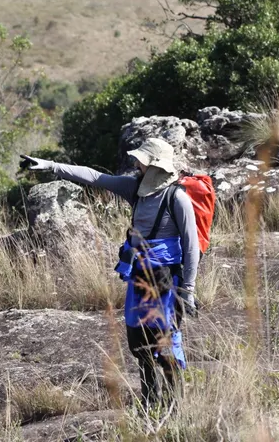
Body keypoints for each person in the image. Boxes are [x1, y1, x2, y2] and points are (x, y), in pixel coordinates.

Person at [20, 137, 199, 408]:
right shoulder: (135, 187)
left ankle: (176, 406)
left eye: (141, 160)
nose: (135, 163)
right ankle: (150, 403)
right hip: (140, 274)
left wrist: (188, 290)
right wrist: (50, 165)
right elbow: (94, 177)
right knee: (140, 341)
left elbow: (192, 246)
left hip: (167, 278)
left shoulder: (178, 198)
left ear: (154, 166)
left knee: (165, 341)